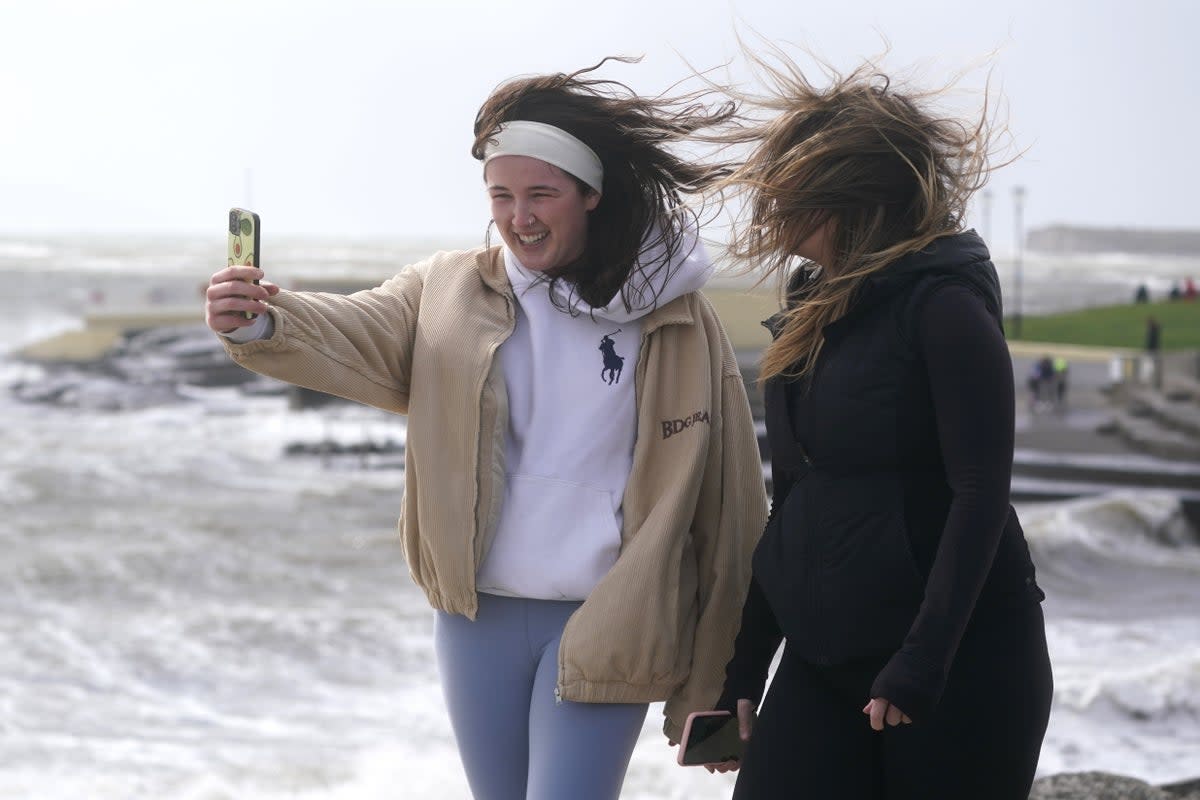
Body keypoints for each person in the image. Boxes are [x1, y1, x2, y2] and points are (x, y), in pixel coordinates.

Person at [204, 59, 767, 800]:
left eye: (542, 193)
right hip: (477, 619)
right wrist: (263, 321)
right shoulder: (449, 289)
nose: (519, 215)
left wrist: (716, 706)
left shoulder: (678, 319)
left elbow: (730, 516)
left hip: (612, 618)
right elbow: (357, 328)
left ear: (591, 194)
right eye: (501, 195)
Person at [698, 52, 1053, 799]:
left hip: (959, 663)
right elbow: (793, 505)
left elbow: (980, 491)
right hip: (824, 658)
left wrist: (924, 660)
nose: (765, 207)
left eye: (785, 191)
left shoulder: (945, 307)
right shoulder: (810, 310)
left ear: (846, 199)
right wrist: (742, 674)